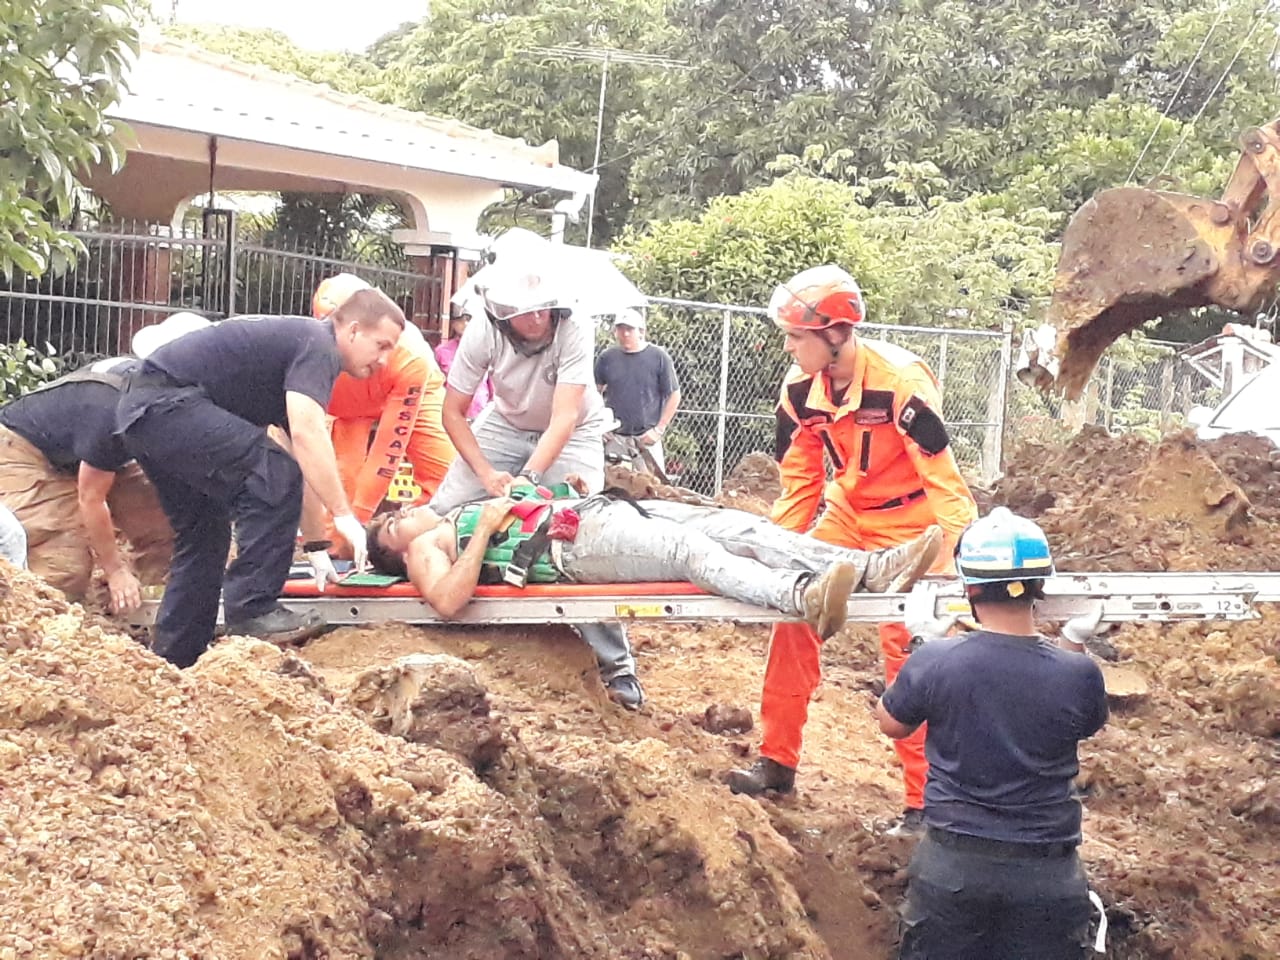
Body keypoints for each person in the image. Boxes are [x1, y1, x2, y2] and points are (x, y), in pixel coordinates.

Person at [728, 264, 979, 834]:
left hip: (914, 525)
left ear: (836, 334)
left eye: (797, 337)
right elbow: (798, 485)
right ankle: (777, 760)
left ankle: (924, 803)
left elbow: (945, 482)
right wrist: (779, 555)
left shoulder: (900, 381)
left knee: (910, 650)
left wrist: (946, 564)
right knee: (795, 612)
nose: (789, 349)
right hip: (847, 518)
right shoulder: (799, 392)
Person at [116, 292, 405, 669]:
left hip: (143, 416)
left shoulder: (294, 349)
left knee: (206, 533)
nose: (383, 361)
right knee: (271, 474)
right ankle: (253, 610)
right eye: (381, 345)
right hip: (167, 406)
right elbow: (307, 435)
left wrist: (317, 544)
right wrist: (345, 515)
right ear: (352, 330)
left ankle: (176, 661)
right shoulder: (319, 346)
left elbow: (298, 456)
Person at [875, 508, 1108, 960]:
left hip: (953, 868)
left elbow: (891, 722)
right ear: (1041, 587)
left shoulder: (939, 662)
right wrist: (1074, 641)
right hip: (1047, 875)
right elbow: (1083, 719)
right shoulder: (1077, 673)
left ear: (969, 587)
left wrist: (921, 647)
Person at [431, 265, 645, 709]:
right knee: (442, 511)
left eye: (545, 309)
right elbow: (452, 412)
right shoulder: (481, 333)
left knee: (582, 533)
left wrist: (527, 481)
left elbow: (564, 418)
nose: (538, 320)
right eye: (527, 313)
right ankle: (421, 611)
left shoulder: (575, 327)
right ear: (502, 313)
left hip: (575, 430)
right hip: (504, 425)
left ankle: (616, 666)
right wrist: (487, 474)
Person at [365, 481, 943, 629]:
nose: (408, 509)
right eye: (392, 519)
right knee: (689, 550)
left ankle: (869, 567)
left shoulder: (448, 516)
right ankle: (801, 595)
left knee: (737, 524)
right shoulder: (426, 546)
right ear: (394, 545)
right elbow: (444, 601)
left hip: (589, 515)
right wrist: (488, 528)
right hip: (575, 548)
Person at [0, 313, 211, 611]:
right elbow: (91, 495)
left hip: (89, 451)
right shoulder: (112, 405)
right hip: (25, 450)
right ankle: (35, 627)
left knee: (163, 518)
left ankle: (158, 610)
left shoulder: (149, 394)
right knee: (63, 565)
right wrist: (114, 570)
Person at [312, 273, 457, 535]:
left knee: (447, 478)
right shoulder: (316, 347)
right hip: (349, 411)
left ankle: (421, 537)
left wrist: (361, 516)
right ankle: (339, 551)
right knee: (343, 486)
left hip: (413, 393)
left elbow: (388, 451)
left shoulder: (410, 358)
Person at [594, 308, 682, 474]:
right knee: (613, 489)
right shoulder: (607, 358)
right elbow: (593, 393)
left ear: (641, 332)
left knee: (652, 490)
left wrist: (659, 430)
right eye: (621, 329)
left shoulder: (658, 357)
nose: (625, 334)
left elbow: (674, 395)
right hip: (615, 438)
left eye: (630, 329)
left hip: (646, 439)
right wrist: (600, 424)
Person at [434, 310, 491, 419]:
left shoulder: (484, 350)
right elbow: (437, 384)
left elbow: (492, 386)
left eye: (469, 319)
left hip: (480, 414)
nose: (465, 323)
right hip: (453, 414)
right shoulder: (442, 351)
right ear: (453, 323)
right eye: (461, 319)